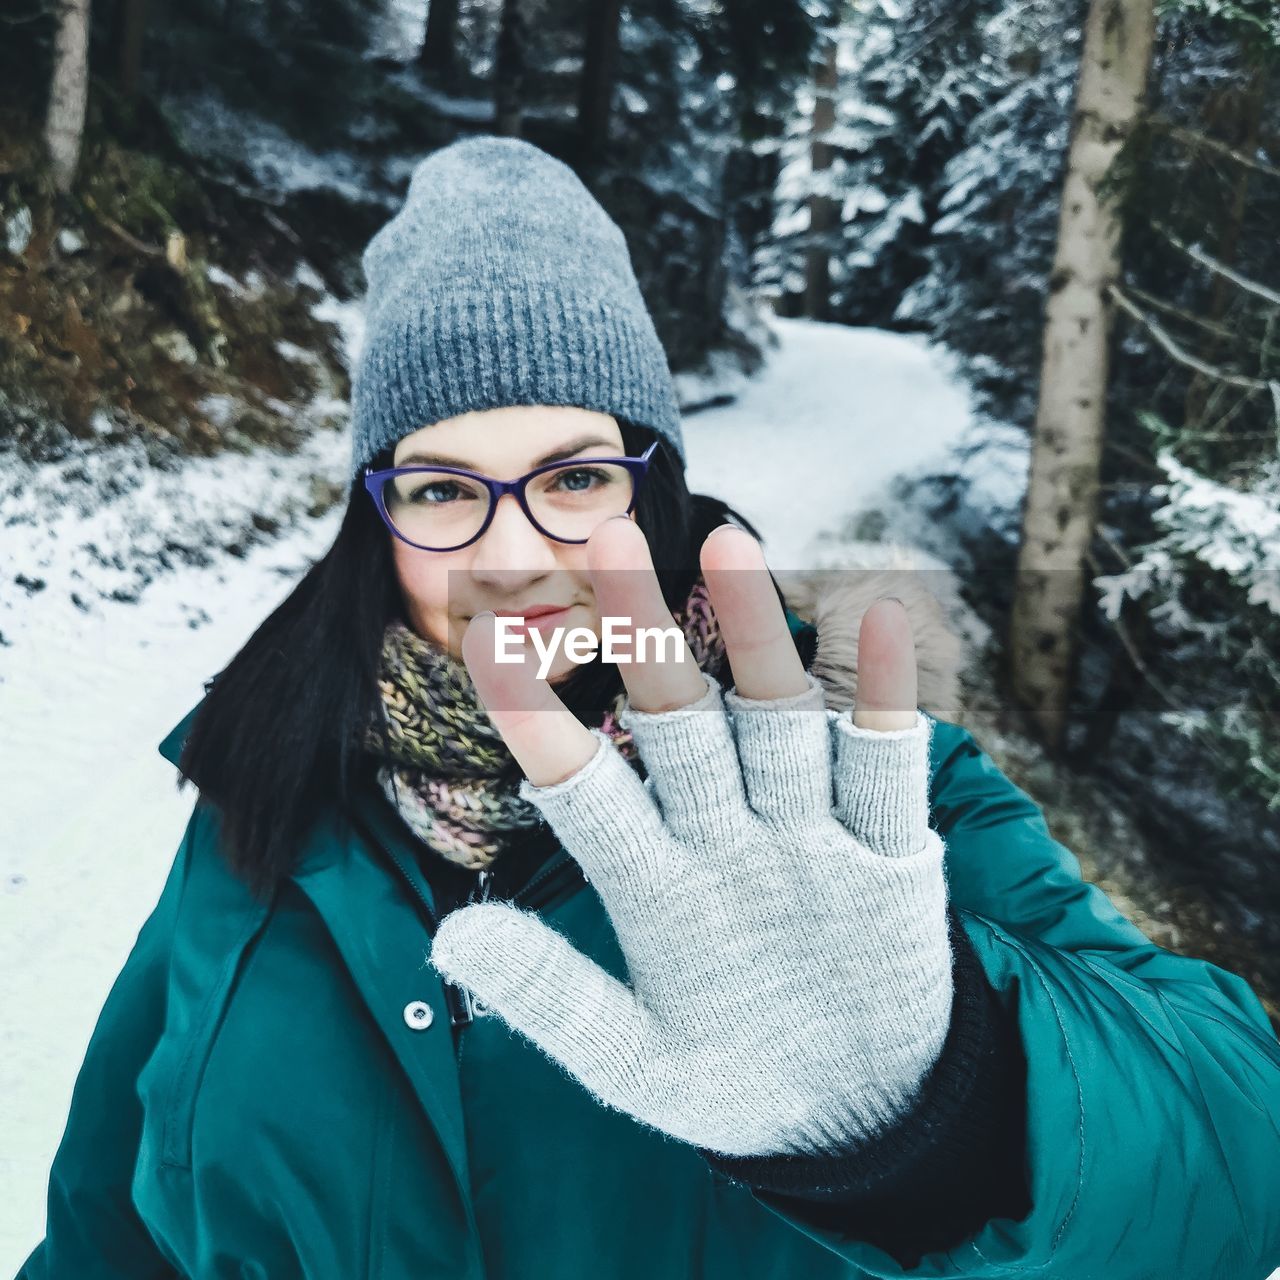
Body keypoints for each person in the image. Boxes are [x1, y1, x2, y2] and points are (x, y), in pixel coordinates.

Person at [16, 136, 1280, 1280]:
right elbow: (106, 1226)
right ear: (374, 517)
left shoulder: (869, 802)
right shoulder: (272, 792)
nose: (511, 554)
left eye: (573, 475)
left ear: (656, 491)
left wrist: (936, 1107)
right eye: (444, 488)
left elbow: (1241, 1162)